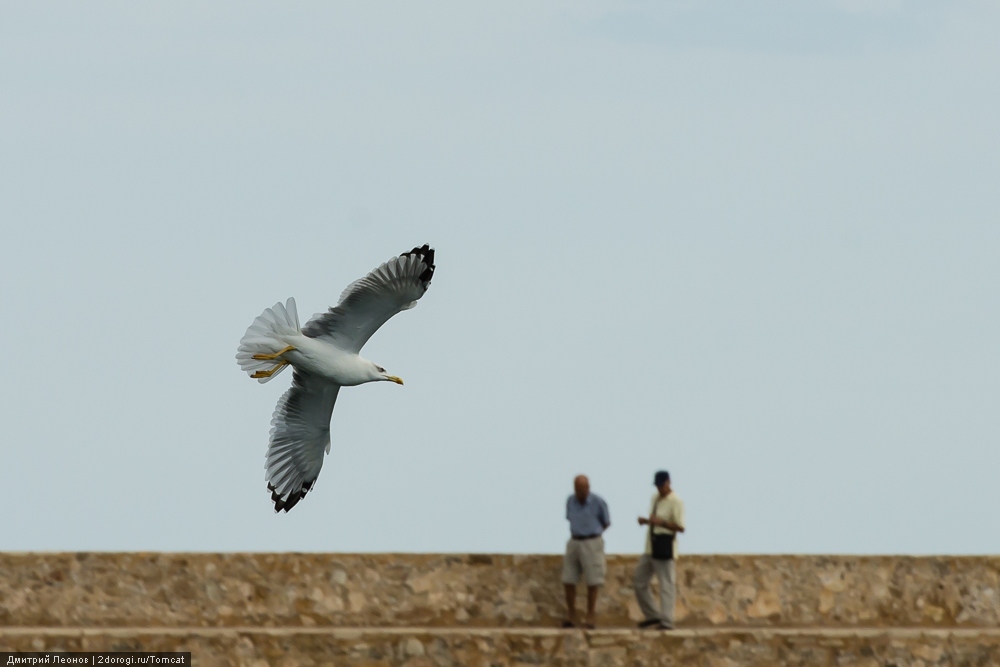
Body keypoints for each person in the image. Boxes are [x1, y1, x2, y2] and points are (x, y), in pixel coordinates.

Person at [634, 470, 685, 630]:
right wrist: (647, 521)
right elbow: (654, 520)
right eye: (657, 486)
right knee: (639, 581)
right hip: (650, 546)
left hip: (665, 547)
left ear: (668, 483)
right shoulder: (655, 498)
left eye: (661, 485)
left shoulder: (676, 501)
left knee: (666, 584)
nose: (659, 489)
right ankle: (652, 614)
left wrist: (661, 523)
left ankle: (667, 620)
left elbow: (680, 527)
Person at [561, 474, 611, 628]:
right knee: (568, 579)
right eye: (577, 489)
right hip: (574, 541)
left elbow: (606, 522)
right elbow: (570, 518)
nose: (580, 492)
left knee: (592, 581)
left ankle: (590, 615)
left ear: (588, 487)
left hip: (592, 541)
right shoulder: (570, 501)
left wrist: (593, 533)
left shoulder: (598, 502)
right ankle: (571, 614)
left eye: (583, 489)